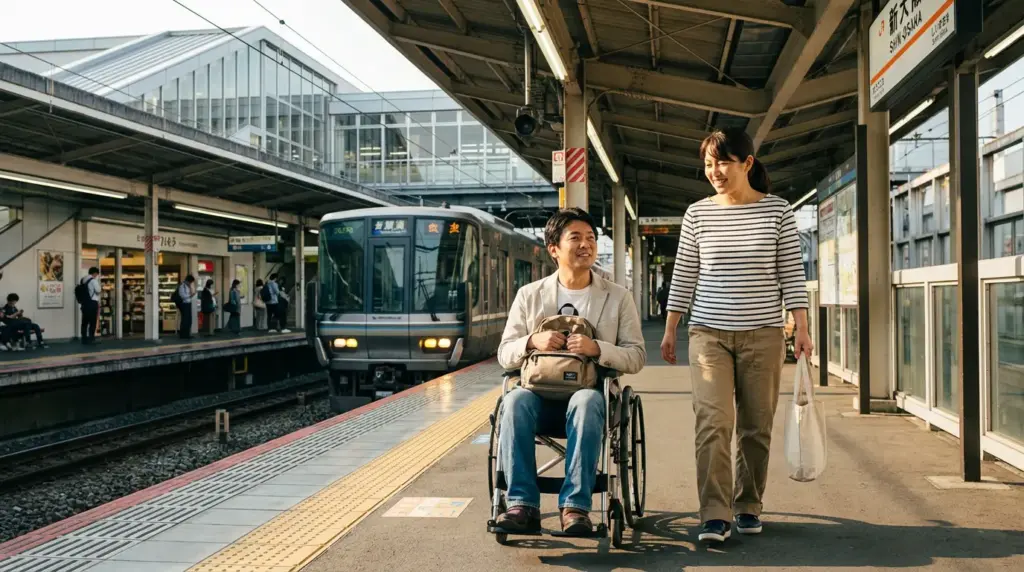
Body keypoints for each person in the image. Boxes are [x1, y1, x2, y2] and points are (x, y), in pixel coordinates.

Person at [661, 128, 812, 544]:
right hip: (708, 333)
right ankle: (714, 511)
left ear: (747, 163)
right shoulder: (698, 214)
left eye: (723, 162)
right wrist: (672, 326)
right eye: (709, 164)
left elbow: (791, 275)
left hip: (763, 334)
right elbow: (685, 273)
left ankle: (747, 504)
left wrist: (801, 327)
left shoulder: (778, 211)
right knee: (712, 421)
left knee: (755, 425)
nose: (715, 172)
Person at [495, 208, 646, 535]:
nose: (586, 245)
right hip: (538, 397)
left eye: (590, 238)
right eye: (575, 238)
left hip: (590, 398)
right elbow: (504, 354)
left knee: (587, 402)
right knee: (515, 401)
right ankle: (522, 504)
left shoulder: (618, 297)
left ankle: (576, 508)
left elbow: (636, 357)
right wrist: (533, 340)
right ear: (554, 249)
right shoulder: (529, 295)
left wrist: (597, 349)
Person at [80, 267, 101, 345]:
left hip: (84, 303)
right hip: (92, 303)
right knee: (92, 322)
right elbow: (98, 290)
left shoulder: (83, 279)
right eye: (96, 274)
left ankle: (84, 338)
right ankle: (91, 338)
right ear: (95, 273)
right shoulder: (93, 281)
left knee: (84, 322)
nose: (96, 276)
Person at [177, 274, 196, 339]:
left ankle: (187, 334)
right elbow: (183, 296)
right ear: (188, 280)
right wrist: (190, 296)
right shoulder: (182, 286)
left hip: (188, 303)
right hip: (184, 304)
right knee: (185, 320)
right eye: (191, 282)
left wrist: (191, 294)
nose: (191, 283)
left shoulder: (187, 286)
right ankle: (183, 335)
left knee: (189, 320)